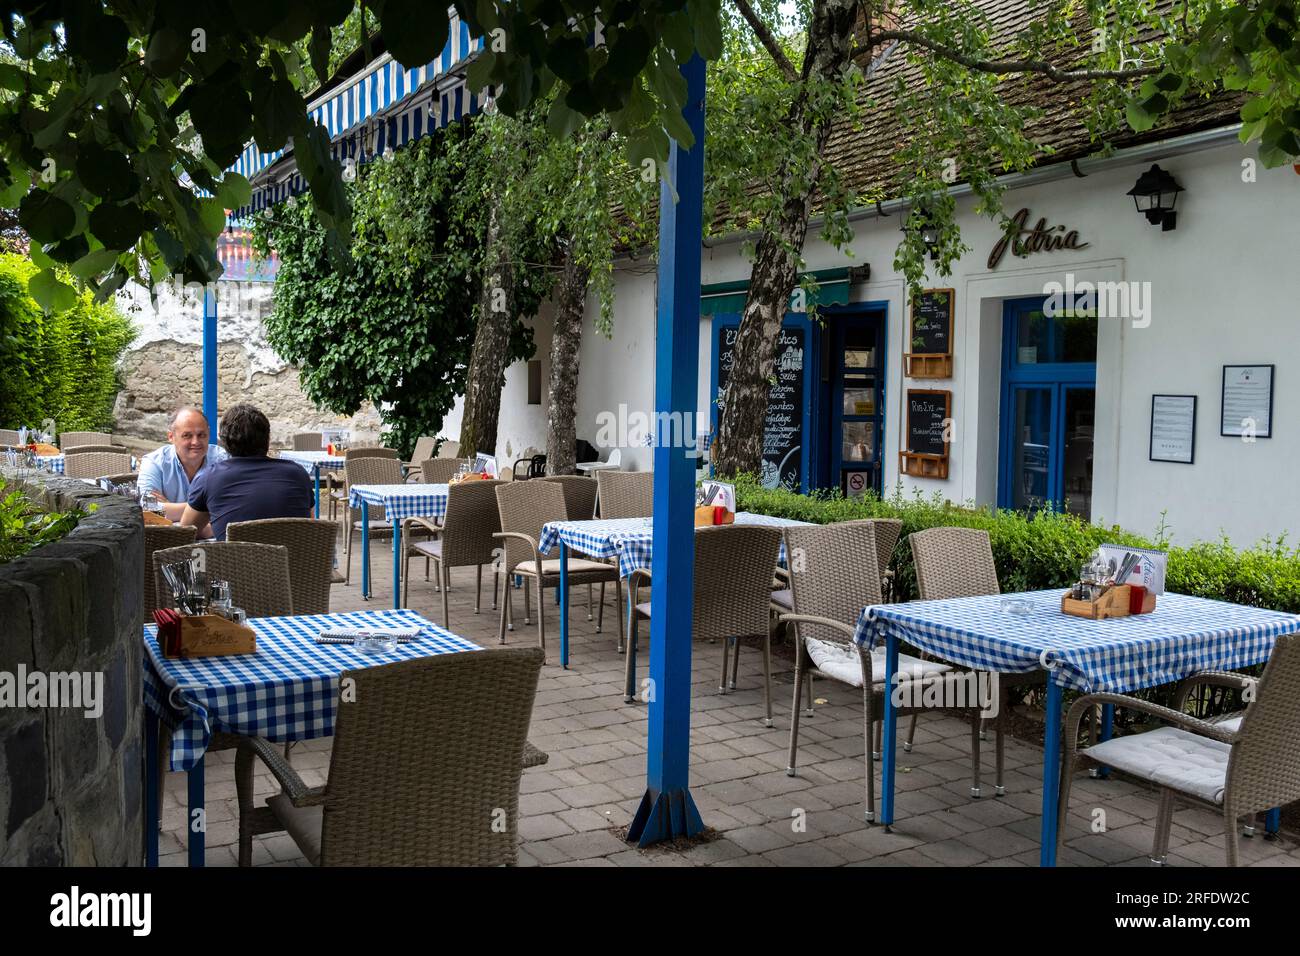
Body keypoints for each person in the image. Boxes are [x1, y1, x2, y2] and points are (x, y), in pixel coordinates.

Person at [181, 404, 313, 541]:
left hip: (237, 555)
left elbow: (185, 533)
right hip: (293, 555)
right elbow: (310, 527)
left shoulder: (209, 479)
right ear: (268, 439)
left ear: (224, 441)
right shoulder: (298, 475)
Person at [137, 406, 227, 525]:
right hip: (168, 536)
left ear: (209, 434)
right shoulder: (154, 462)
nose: (195, 442)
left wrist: (170, 507)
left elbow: (232, 505)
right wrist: (209, 507)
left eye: (201, 435)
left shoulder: (222, 460)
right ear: (171, 437)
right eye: (187, 435)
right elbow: (146, 510)